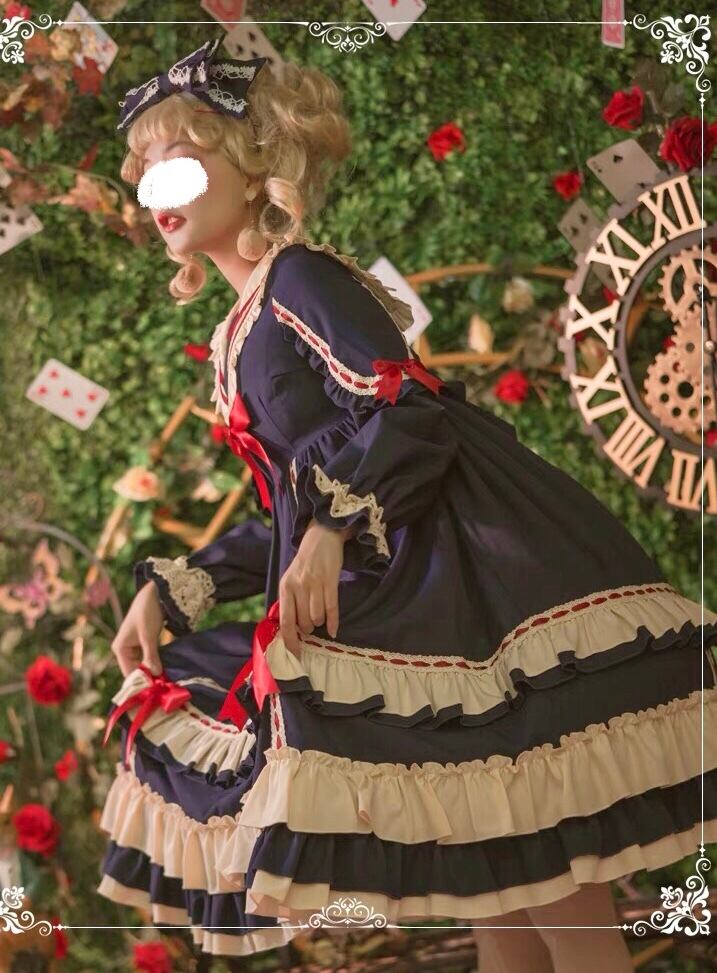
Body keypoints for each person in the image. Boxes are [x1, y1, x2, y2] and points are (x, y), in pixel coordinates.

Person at [96, 37, 717, 967]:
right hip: (385, 596)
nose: (158, 192)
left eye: (178, 163)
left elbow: (408, 406)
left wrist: (330, 532)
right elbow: (291, 506)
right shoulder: (243, 325)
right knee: (499, 890)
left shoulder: (297, 279)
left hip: (457, 595)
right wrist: (175, 586)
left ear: (254, 163)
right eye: (145, 172)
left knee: (556, 892)